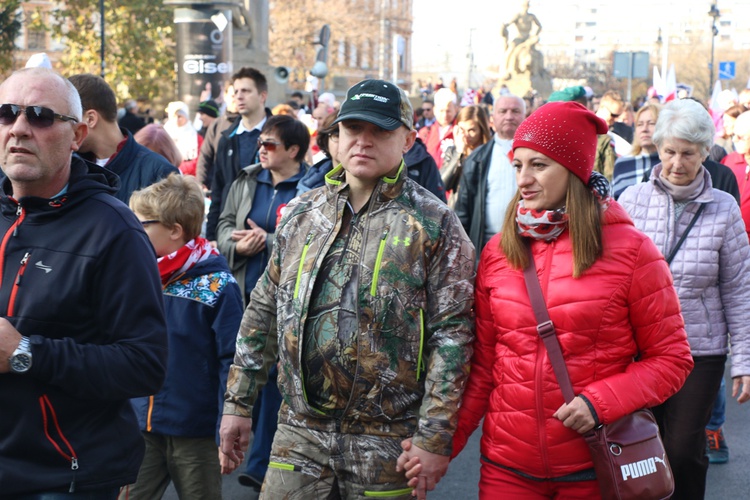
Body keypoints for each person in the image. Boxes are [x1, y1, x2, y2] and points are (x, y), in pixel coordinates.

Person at [402, 101, 694, 499]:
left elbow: (672, 359)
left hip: (594, 466)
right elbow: (484, 367)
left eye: (538, 165)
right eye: (518, 165)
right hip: (507, 469)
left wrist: (599, 402)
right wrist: (440, 450)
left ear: (574, 170)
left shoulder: (631, 251)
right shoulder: (498, 252)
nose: (523, 178)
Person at [218, 79, 476, 498]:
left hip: (386, 440)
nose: (364, 141)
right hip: (300, 432)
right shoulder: (304, 212)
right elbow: (263, 310)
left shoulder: (434, 223)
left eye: (380, 131)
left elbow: (454, 337)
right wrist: (237, 404)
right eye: (353, 129)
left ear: (409, 139)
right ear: (337, 137)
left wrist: (433, 438)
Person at [0, 67, 168, 498]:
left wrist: (25, 354)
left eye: (39, 116)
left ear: (77, 136)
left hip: (63, 476)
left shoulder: (115, 232)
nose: (19, 129)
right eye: (6, 114)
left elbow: (144, 365)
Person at [619, 98, 750, 500]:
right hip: (640, 348)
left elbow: (738, 287)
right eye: (669, 151)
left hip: (701, 350)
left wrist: (743, 360)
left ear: (705, 153)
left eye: (688, 153)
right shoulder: (631, 201)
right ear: (657, 148)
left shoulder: (724, 209)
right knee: (642, 446)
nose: (677, 162)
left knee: (681, 448)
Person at [123, 175, 243, 500]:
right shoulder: (139, 273)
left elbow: (231, 360)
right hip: (140, 424)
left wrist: (226, 422)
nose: (133, 232)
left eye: (142, 225)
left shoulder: (218, 285)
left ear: (175, 231)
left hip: (195, 430)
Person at [217, 115, 310, 492]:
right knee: (240, 374)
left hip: (285, 302)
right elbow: (222, 224)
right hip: (242, 294)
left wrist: (269, 241)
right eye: (261, 144)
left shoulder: (311, 186)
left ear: (294, 150)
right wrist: (236, 246)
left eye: (270, 145)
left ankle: (261, 465)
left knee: (274, 382)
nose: (262, 150)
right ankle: (235, 449)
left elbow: (310, 240)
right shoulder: (245, 179)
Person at [68, 73, 179, 205]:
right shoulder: (70, 167)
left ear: (90, 119)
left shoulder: (159, 173)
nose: (61, 128)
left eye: (68, 119)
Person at [454, 94, 526, 257]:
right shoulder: (476, 159)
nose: (509, 116)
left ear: (525, 116)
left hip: (527, 246)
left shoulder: (540, 157)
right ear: (492, 118)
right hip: (487, 248)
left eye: (515, 111)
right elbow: (463, 212)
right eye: (503, 111)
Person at [206, 67, 270, 243]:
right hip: (230, 232)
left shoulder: (279, 135)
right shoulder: (227, 138)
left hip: (265, 231)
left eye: (246, 91)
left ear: (262, 96)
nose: (239, 96)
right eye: (236, 92)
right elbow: (218, 189)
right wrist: (212, 236)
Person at [441, 104, 492, 208]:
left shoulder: (490, 152)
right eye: (461, 130)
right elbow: (442, 184)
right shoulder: (453, 152)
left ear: (481, 129)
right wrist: (459, 153)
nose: (465, 135)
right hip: (458, 210)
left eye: (471, 130)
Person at [612, 103, 661, 198]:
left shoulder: (670, 164)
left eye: (651, 123)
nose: (644, 129)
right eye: (639, 124)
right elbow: (615, 203)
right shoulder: (623, 164)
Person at [418, 88, 457, 169]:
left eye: (448, 111)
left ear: (455, 110)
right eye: (441, 111)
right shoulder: (424, 133)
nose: (444, 115)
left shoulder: (460, 133)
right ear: (435, 110)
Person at [164, 101, 203, 177]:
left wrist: (179, 170)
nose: (177, 120)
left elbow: (198, 161)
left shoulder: (195, 137)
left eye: (180, 116)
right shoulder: (165, 133)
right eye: (174, 116)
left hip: (187, 177)